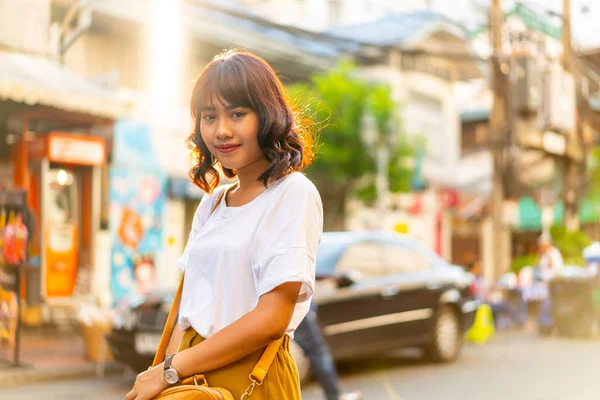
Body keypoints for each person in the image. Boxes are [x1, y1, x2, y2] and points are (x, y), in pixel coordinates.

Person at [126, 49, 323, 400]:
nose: (222, 130)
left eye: (237, 113)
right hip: (190, 374)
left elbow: (271, 319)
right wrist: (165, 373)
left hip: (249, 373)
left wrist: (173, 369)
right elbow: (186, 313)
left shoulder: (293, 193)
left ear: (267, 115)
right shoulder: (212, 202)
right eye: (209, 116)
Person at [294, 304, 363, 400]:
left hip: (297, 310)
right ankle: (335, 396)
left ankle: (335, 395)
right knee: (317, 352)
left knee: (316, 351)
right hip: (298, 310)